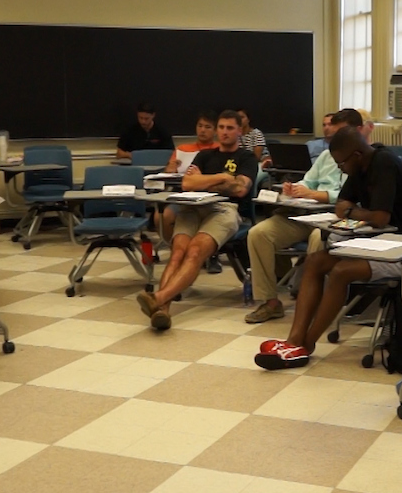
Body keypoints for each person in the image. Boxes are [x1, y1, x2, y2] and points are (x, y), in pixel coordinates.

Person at [255, 126, 402, 370]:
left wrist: (353, 211)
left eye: (341, 163)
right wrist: (358, 212)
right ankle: (293, 339)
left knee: (342, 271)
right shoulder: (359, 164)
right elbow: (341, 205)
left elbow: (380, 217)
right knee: (315, 261)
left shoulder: (384, 164)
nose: (340, 169)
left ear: (357, 155)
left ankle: (306, 345)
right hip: (381, 243)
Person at [136, 110, 258, 331]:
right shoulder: (205, 155)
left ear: (239, 131)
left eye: (230, 128)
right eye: (221, 127)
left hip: (225, 209)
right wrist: (222, 177)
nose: (224, 132)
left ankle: (158, 298)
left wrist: (204, 181)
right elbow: (187, 185)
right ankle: (163, 311)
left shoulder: (246, 158)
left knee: (194, 251)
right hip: (193, 207)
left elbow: (240, 189)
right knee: (177, 253)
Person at [243, 109, 359, 324]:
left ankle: (312, 301)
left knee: (318, 238)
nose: (335, 135)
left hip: (335, 217)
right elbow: (309, 181)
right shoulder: (326, 156)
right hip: (306, 213)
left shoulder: (360, 158)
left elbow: (349, 196)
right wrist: (295, 188)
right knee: (259, 233)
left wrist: (315, 194)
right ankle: (270, 302)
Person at [157, 110, 221, 242]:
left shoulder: (220, 150)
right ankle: (174, 246)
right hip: (183, 195)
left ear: (215, 131)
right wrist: (170, 169)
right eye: (200, 126)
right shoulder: (182, 149)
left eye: (207, 127)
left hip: (210, 196)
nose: (202, 130)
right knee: (161, 216)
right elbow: (168, 175)